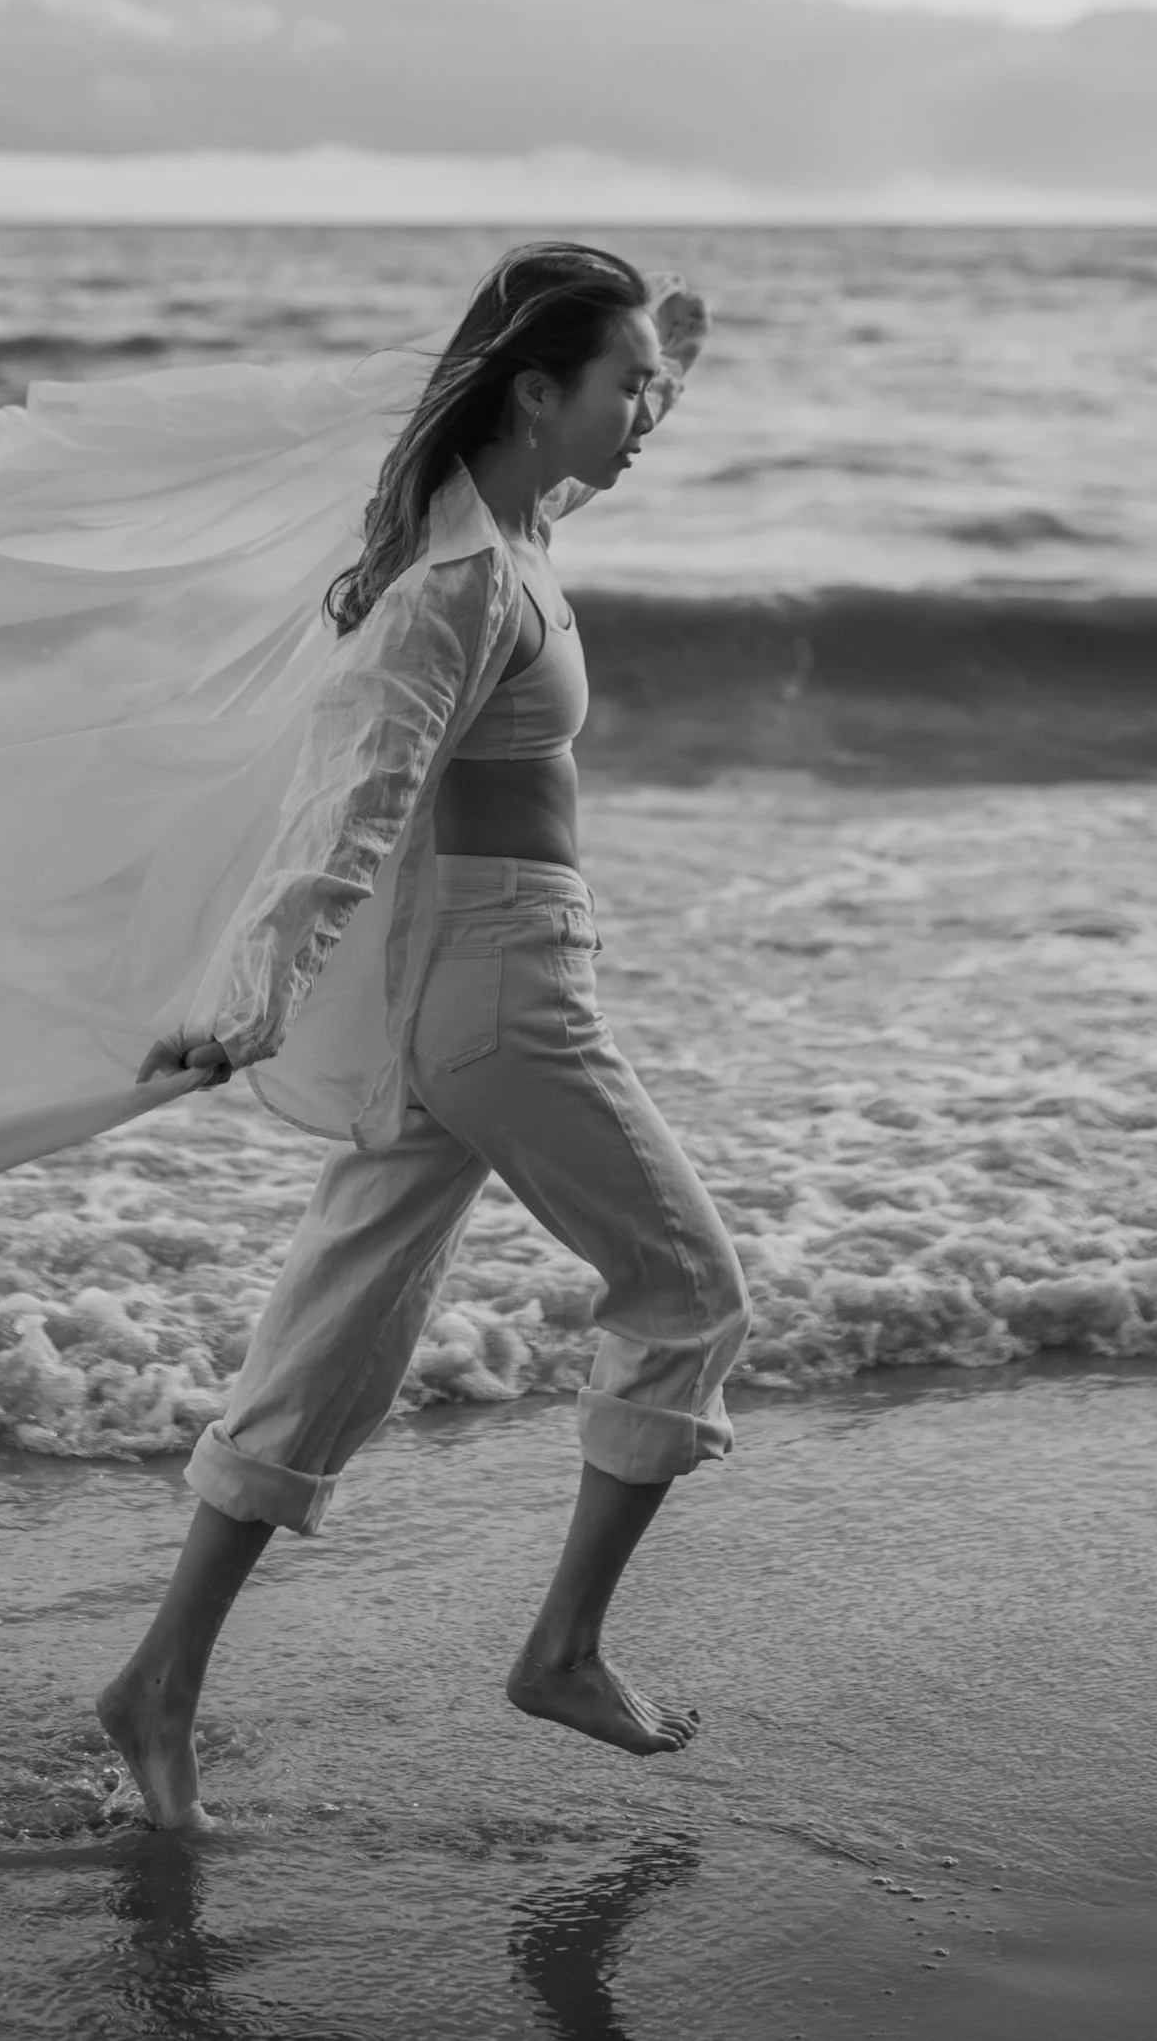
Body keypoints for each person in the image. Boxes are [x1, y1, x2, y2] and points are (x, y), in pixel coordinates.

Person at [98, 243, 750, 1832]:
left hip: (470, 989)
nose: (650, 414)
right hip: (503, 996)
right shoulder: (460, 585)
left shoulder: (514, 527)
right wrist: (247, 1003)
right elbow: (360, 800)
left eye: (657, 390)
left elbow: (572, 478)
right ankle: (564, 1651)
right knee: (689, 1294)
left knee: (330, 1344)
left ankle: (155, 1688)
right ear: (535, 393)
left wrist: (673, 343)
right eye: (626, 389)